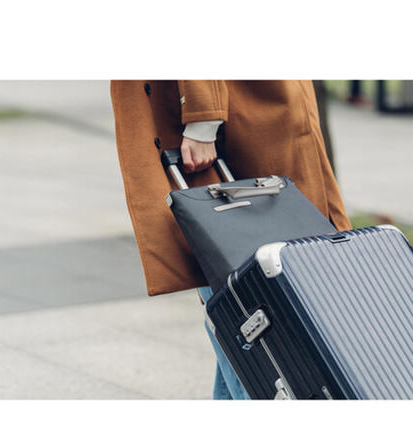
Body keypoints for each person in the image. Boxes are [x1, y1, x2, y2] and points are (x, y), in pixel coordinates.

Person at [111, 81, 351, 399]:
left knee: (238, 307)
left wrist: (203, 118)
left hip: (227, 119)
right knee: (240, 316)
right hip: (241, 110)